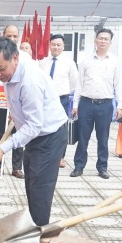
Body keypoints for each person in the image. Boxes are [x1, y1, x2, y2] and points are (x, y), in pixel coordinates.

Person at [0, 37, 68, 226]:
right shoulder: (10, 65)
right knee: (31, 185)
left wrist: (3, 148)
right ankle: (35, 229)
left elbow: (34, 125)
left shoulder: (30, 81)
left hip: (49, 136)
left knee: (40, 189)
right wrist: (17, 113)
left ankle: (39, 238)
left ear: (15, 58)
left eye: (1, 69)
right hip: (34, 135)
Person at [72, 28, 122, 179]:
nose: (102, 41)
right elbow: (79, 85)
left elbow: (119, 85)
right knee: (83, 137)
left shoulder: (115, 62)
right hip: (86, 104)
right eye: (100, 38)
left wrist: (120, 105)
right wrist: (75, 104)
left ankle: (102, 167)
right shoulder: (86, 61)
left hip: (105, 105)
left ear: (110, 42)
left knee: (103, 138)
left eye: (106, 39)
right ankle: (78, 166)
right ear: (95, 40)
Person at [40, 34, 79, 168]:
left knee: (61, 129)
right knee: (45, 127)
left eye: (59, 45)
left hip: (62, 99)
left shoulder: (69, 63)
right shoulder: (43, 62)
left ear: (63, 47)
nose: (56, 47)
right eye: (53, 44)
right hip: (45, 100)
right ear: (49, 45)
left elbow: (75, 83)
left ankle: (60, 157)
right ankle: (46, 154)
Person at [1, 24, 28, 178]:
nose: (12, 39)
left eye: (15, 36)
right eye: (9, 36)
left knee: (19, 132)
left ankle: (17, 167)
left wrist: (15, 109)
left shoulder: (23, 58)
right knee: (0, 132)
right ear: (3, 35)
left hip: (18, 103)